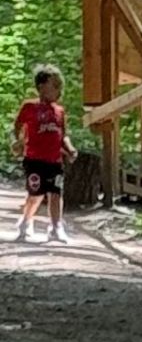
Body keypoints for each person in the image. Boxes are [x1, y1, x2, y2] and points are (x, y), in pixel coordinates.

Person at [13, 65, 77, 244]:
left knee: (55, 193)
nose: (58, 91)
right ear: (41, 87)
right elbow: (17, 126)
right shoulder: (29, 107)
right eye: (54, 86)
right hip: (34, 158)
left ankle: (56, 227)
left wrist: (70, 149)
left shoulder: (59, 111)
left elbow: (62, 135)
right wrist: (17, 141)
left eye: (59, 87)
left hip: (54, 160)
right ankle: (25, 221)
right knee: (35, 194)